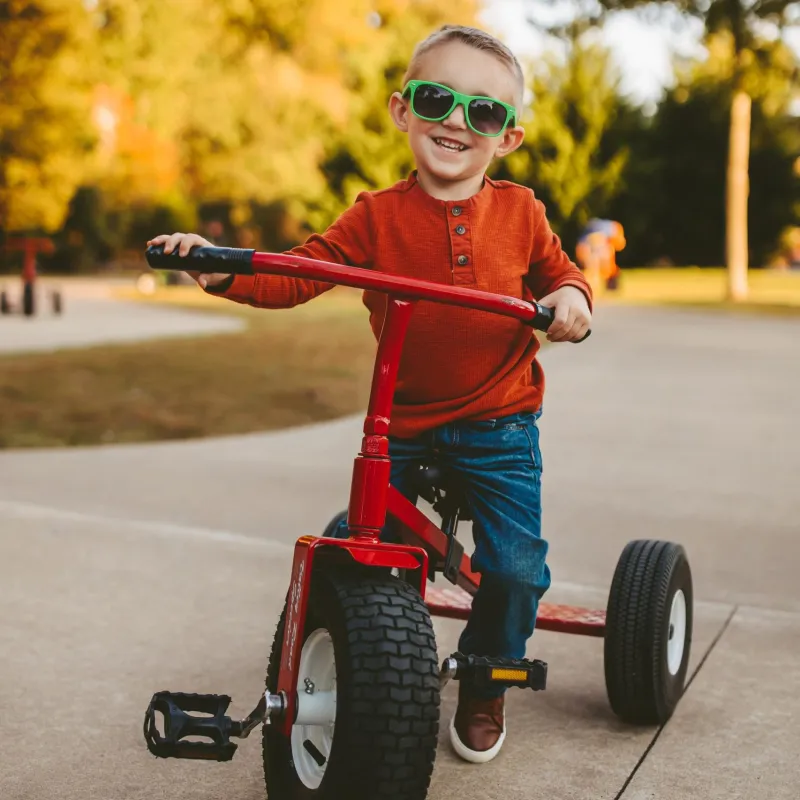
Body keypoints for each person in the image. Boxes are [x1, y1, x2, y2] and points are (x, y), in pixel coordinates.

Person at [147, 24, 592, 765]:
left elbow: (561, 275)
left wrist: (572, 301)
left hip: (499, 423)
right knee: (348, 542)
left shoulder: (523, 212)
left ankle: (486, 678)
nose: (456, 120)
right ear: (401, 110)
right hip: (406, 423)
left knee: (514, 569)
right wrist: (221, 269)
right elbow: (300, 272)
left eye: (482, 112)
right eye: (436, 99)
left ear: (507, 138)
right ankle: (354, 645)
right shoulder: (376, 216)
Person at [576, 218, 626, 291]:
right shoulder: (614, 230)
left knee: (594, 267)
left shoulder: (607, 236)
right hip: (590, 246)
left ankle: (588, 285)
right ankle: (588, 285)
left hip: (588, 245)